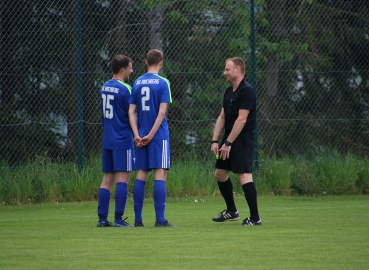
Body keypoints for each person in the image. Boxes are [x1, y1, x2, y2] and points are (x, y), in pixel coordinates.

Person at [210, 57, 261, 226]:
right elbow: (222, 117)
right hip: (228, 140)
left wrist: (229, 143)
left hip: (242, 140)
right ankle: (232, 211)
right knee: (220, 174)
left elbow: (242, 120)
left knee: (244, 175)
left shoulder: (247, 90)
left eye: (227, 69)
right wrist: (215, 140)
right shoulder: (228, 91)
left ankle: (255, 218)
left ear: (237, 70)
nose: (225, 72)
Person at [128, 49, 173, 227]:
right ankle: (160, 220)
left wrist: (137, 134)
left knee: (141, 174)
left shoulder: (137, 82)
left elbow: (131, 111)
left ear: (146, 62)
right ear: (161, 63)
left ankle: (138, 220)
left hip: (141, 136)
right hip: (157, 135)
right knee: (160, 174)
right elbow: (162, 111)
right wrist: (151, 135)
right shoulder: (163, 83)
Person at [97, 55, 135, 227]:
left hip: (108, 140)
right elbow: (132, 114)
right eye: (130, 68)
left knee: (107, 180)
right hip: (123, 140)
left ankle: (102, 219)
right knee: (123, 180)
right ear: (123, 70)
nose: (131, 71)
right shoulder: (125, 89)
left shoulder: (105, 86)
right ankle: (119, 219)